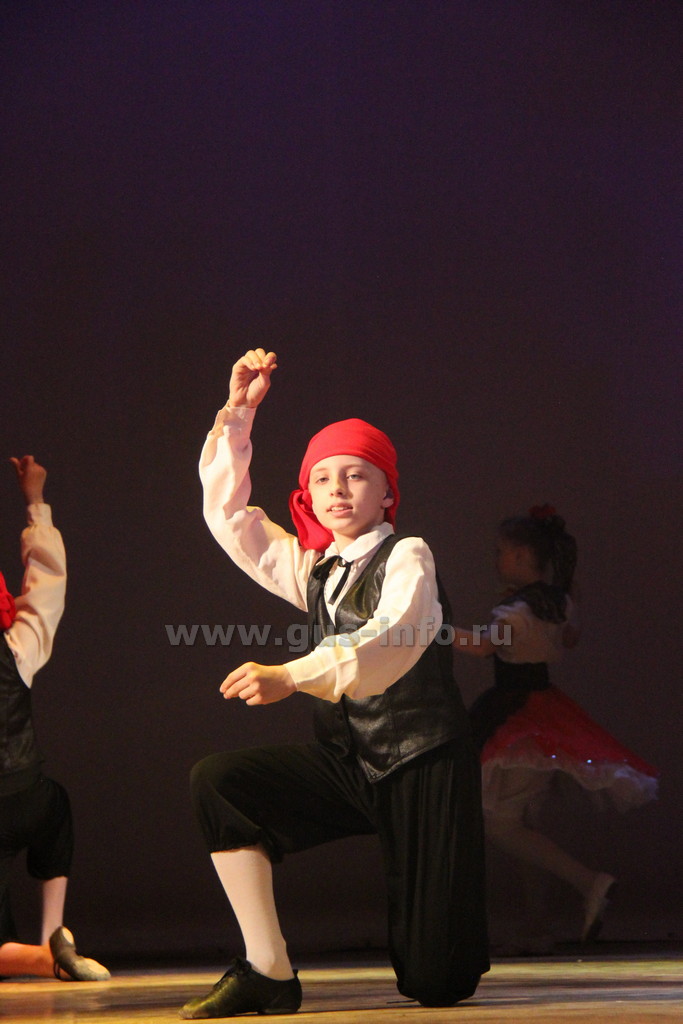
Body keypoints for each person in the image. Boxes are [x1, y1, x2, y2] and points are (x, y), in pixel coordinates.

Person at [182, 348, 489, 1018]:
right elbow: (230, 518)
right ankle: (268, 970)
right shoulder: (315, 569)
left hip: (420, 761)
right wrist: (238, 415)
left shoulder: (407, 555)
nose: (338, 489)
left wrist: (291, 676)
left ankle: (439, 953)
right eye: (322, 478)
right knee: (221, 783)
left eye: (356, 475)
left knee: (436, 980)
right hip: (349, 764)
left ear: (387, 493)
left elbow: (392, 637)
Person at [453, 504, 659, 950]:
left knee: (500, 824)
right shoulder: (559, 603)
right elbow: (568, 638)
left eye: (501, 552)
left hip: (516, 714)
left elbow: (485, 647)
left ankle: (589, 883)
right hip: (546, 708)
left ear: (523, 557)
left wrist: (433, 630)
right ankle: (538, 924)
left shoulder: (515, 611)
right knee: (523, 821)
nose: (496, 560)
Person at [0, 455, 110, 982]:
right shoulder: (14, 649)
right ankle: (52, 937)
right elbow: (47, 587)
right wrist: (35, 502)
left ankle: (44, 954)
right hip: (24, 797)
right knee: (54, 804)